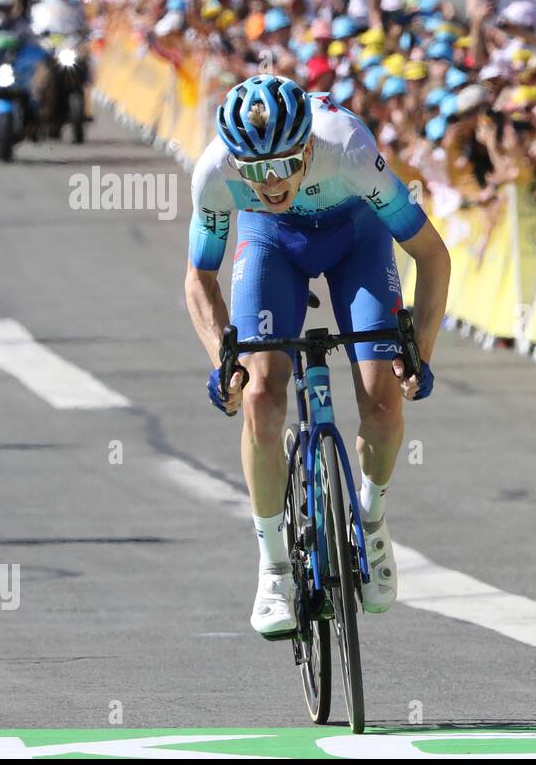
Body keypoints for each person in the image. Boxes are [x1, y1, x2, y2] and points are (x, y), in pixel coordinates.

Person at [184, 74, 451, 637]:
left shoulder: (348, 147)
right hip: (271, 244)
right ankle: (274, 564)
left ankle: (372, 521)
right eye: (254, 171)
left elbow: (431, 254)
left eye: (283, 164)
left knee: (381, 398)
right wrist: (221, 360)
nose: (271, 181)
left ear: (308, 146)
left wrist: (419, 352)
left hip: (356, 237)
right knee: (260, 395)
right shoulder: (214, 171)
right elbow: (199, 278)